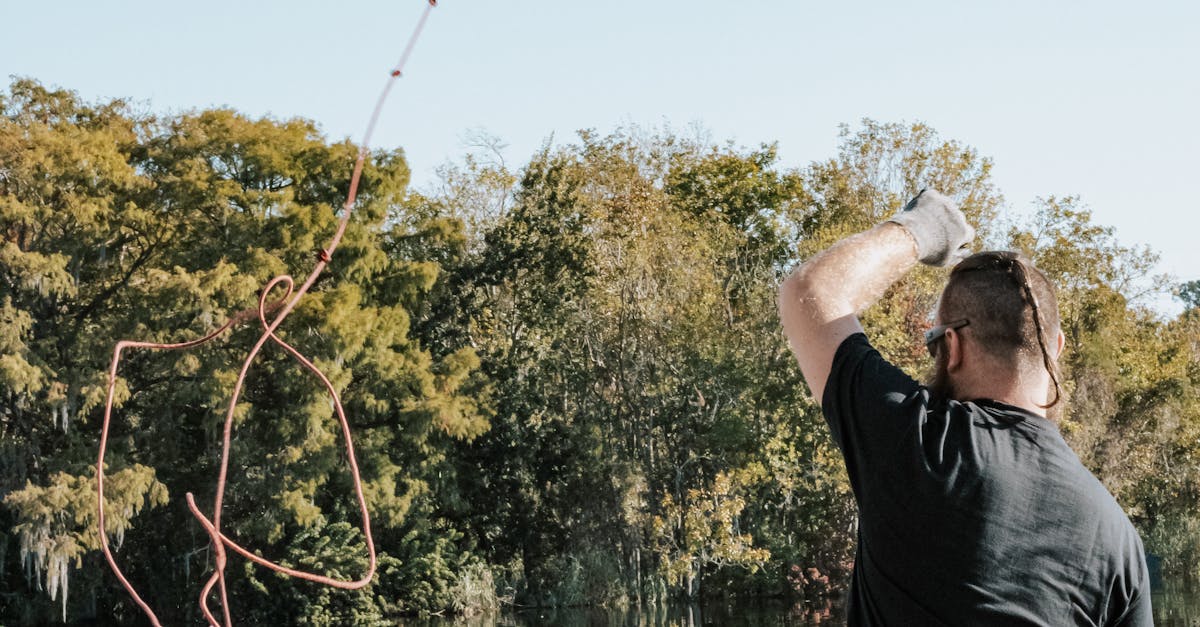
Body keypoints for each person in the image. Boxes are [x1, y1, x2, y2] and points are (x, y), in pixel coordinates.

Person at [777, 189, 1152, 626]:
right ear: (1058, 348)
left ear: (951, 346)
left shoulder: (917, 440)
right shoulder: (1118, 538)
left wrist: (925, 229)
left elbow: (810, 290)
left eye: (932, 342)